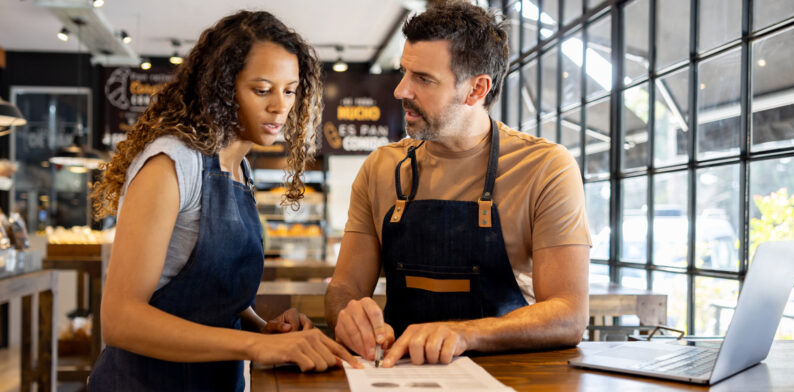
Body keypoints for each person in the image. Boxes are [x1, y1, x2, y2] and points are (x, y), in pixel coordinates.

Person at [87, 10, 357, 391]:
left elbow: (212, 298)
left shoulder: (239, 169)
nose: (280, 106)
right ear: (221, 87)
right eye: (262, 90)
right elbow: (120, 320)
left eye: (290, 90)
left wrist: (267, 332)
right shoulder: (171, 163)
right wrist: (253, 346)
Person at [325, 1, 591, 368]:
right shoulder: (381, 168)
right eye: (404, 72)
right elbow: (345, 288)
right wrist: (347, 313)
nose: (401, 90)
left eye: (424, 79)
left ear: (477, 89)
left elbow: (569, 314)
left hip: (511, 376)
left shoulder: (545, 168)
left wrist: (464, 333)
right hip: (398, 372)